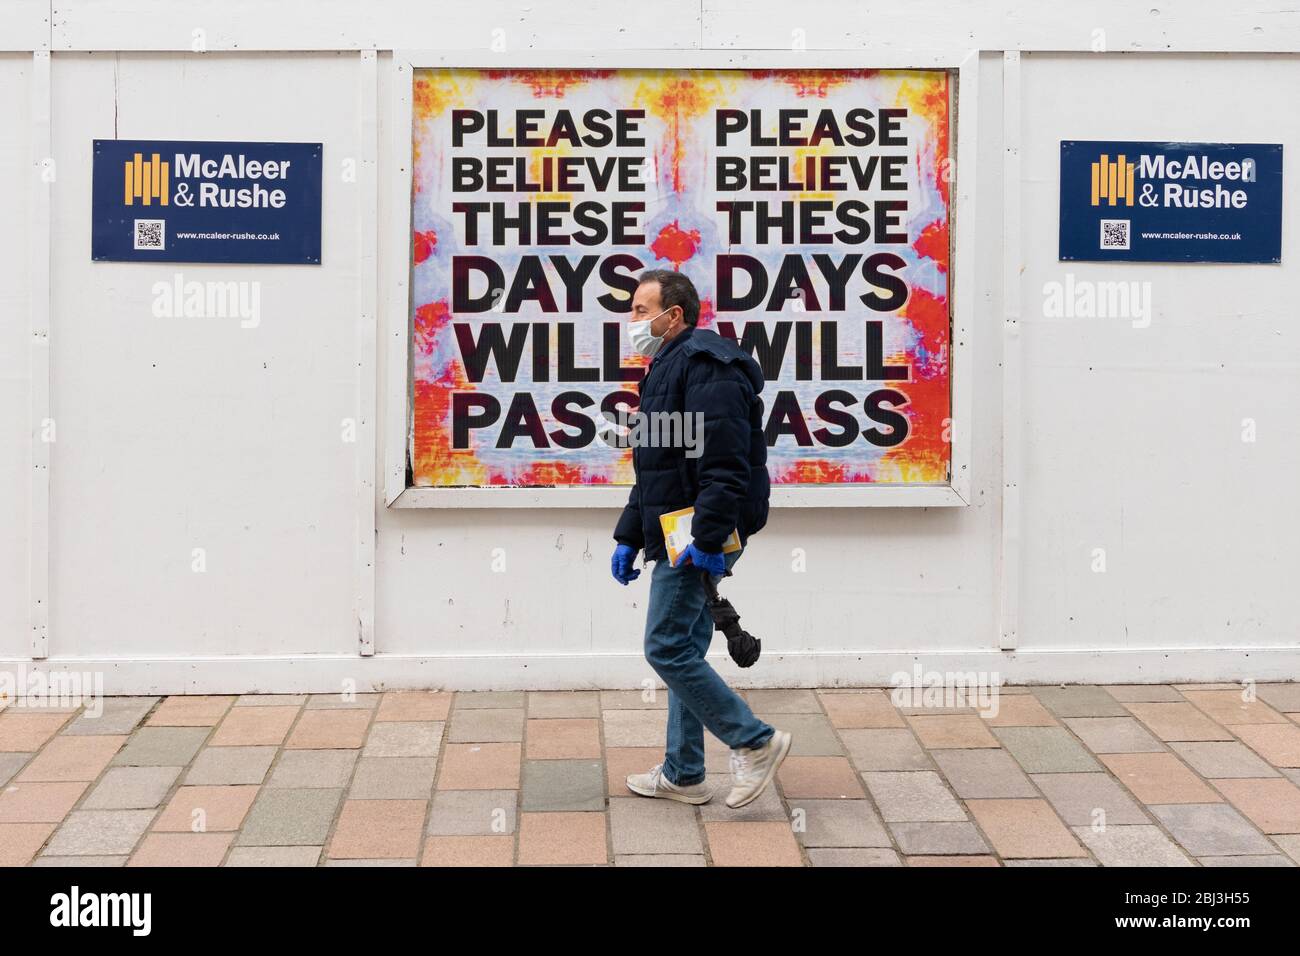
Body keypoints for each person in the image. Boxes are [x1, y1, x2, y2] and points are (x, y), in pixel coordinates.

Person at [609, 268, 790, 809]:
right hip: (676, 526)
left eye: (642, 311)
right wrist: (628, 534)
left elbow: (726, 466)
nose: (633, 322)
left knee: (664, 646)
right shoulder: (665, 368)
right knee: (684, 647)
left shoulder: (710, 368)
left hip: (701, 529)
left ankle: (754, 742)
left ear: (674, 315)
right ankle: (685, 773)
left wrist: (709, 539)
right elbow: (657, 470)